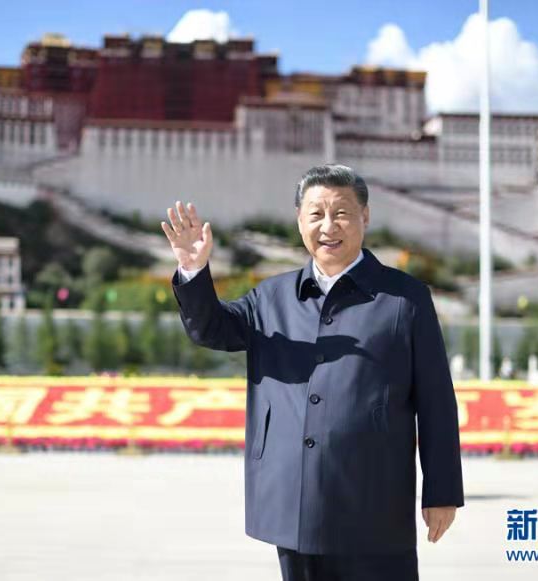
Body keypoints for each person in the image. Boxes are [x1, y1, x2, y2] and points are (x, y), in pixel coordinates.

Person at [161, 164, 464, 581]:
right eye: (316, 214)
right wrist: (194, 271)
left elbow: (436, 401)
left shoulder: (405, 300)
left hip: (374, 501)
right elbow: (212, 330)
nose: (328, 226)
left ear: (365, 216)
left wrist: (441, 491)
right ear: (299, 220)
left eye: (341, 213)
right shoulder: (271, 297)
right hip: (294, 499)